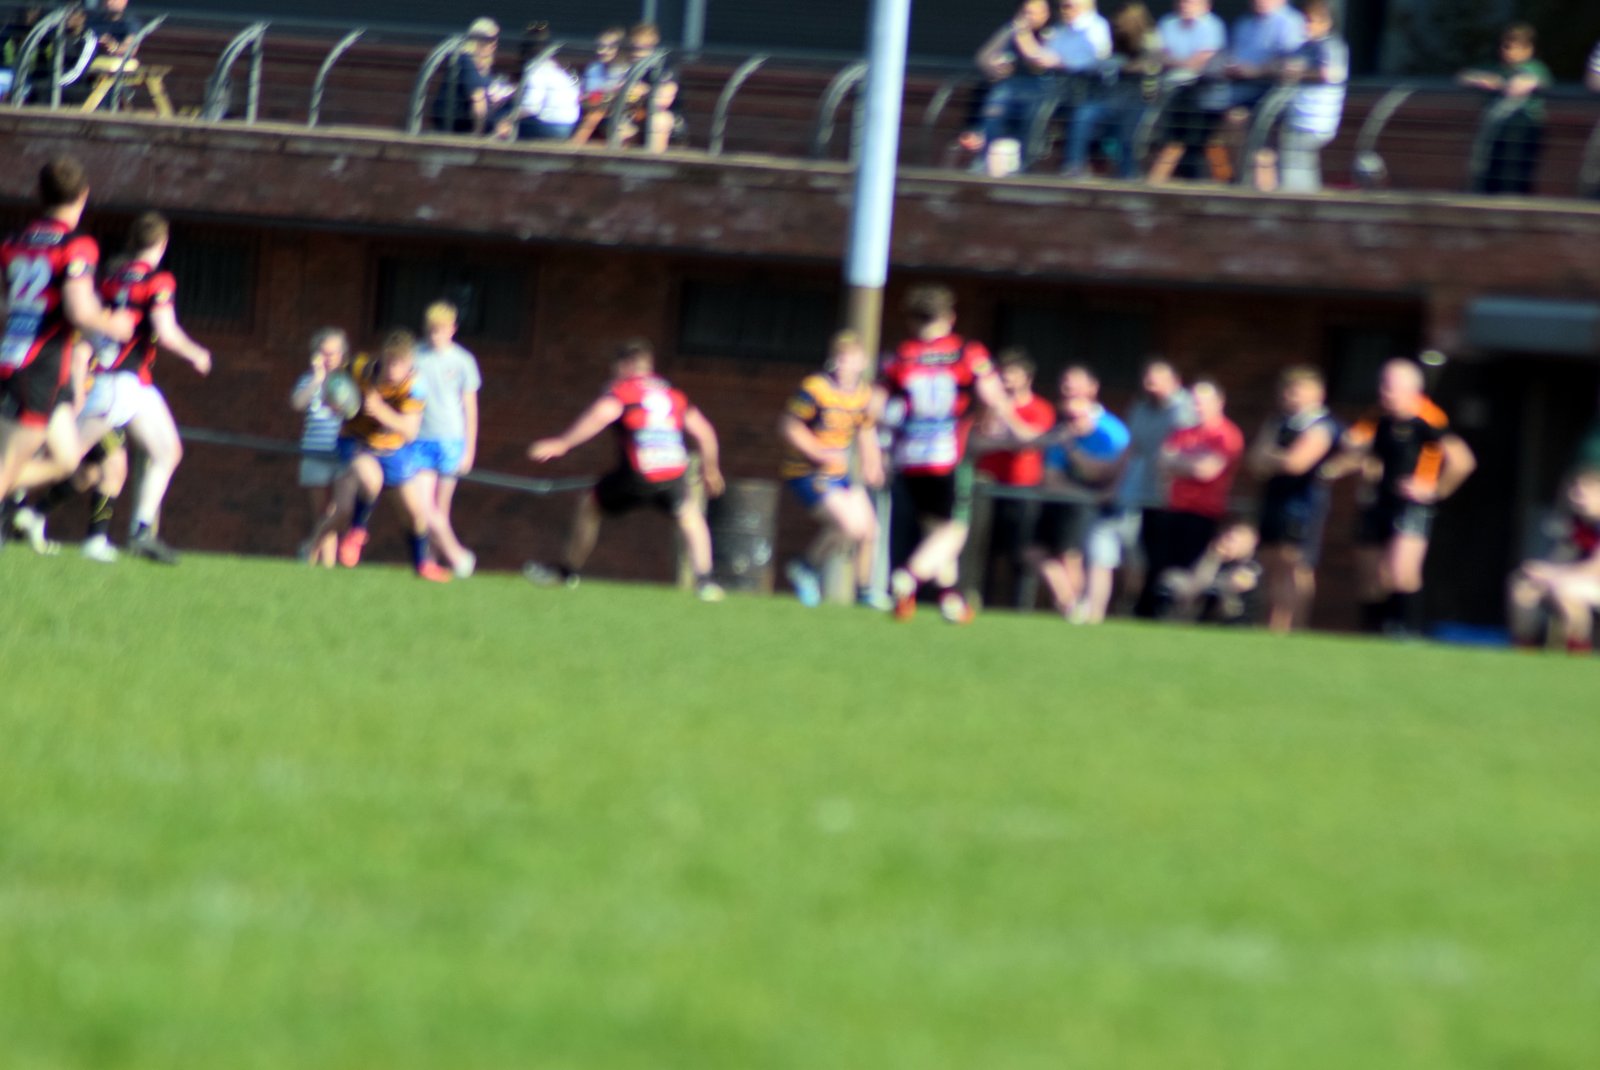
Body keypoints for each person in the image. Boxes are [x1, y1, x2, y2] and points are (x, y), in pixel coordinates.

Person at [12, 211, 210, 564]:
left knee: (166, 451)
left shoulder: (110, 279)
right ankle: (19, 503)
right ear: (162, 244)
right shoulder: (158, 280)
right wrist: (196, 353)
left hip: (134, 383)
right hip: (117, 385)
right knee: (66, 459)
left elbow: (89, 327)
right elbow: (165, 331)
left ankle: (141, 532)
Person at [525, 338, 727, 601]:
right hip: (672, 471)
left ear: (626, 365)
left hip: (639, 473)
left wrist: (563, 443)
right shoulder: (672, 394)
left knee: (590, 505)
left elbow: (602, 413)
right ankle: (706, 581)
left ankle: (567, 572)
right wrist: (711, 470)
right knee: (690, 514)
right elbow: (705, 431)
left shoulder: (624, 391)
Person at [877, 283, 1027, 623]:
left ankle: (950, 601)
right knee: (955, 530)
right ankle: (908, 578)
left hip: (907, 457)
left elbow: (875, 408)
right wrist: (1018, 430)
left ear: (912, 320)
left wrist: (878, 450)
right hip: (946, 455)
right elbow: (992, 397)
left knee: (935, 529)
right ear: (950, 317)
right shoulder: (966, 353)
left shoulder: (900, 356)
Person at [0, 157, 132, 541]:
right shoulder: (77, 245)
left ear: (40, 194)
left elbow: (4, 305)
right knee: (9, 462)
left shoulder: (13, 242)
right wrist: (114, 323)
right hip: (40, 361)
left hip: (19, 355)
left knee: (65, 459)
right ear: (83, 195)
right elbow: (78, 309)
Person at [1333, 358, 1476, 636]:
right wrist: (1348, 462)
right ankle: (1372, 632)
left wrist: (1434, 491)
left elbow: (1463, 461)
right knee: (1370, 577)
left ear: (1411, 390)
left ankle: (1406, 631)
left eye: (1390, 387)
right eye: (1382, 385)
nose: (1384, 392)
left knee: (1401, 572)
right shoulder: (1377, 418)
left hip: (1411, 505)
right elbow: (1354, 447)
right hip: (1378, 502)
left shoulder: (1428, 420)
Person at [308, 329, 452, 582]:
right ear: (382, 357)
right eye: (389, 361)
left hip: (392, 448)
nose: (392, 369)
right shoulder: (360, 368)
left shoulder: (415, 386)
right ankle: (356, 532)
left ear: (409, 363)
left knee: (415, 514)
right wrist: (336, 400)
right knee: (370, 479)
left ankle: (422, 565)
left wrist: (380, 410)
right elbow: (333, 386)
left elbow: (410, 431)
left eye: (399, 363)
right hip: (357, 441)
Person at [778, 330, 886, 609]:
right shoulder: (816, 388)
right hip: (807, 471)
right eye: (839, 357)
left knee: (869, 531)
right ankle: (806, 566)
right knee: (848, 526)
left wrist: (872, 464)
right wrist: (817, 451)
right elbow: (789, 425)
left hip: (839, 473)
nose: (842, 364)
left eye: (848, 358)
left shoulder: (863, 393)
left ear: (862, 362)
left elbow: (865, 430)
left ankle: (865, 592)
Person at [1031, 369, 1129, 620]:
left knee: (1074, 557)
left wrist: (1071, 447)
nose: (1068, 390)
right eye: (1065, 384)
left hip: (1098, 508)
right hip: (1063, 502)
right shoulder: (1061, 430)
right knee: (1034, 552)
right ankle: (1070, 603)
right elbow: (1051, 478)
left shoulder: (1109, 430)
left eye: (1075, 386)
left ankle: (1077, 609)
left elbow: (1100, 472)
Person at [1248, 365, 1339, 632]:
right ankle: (1269, 623)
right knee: (1269, 561)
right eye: (1286, 390)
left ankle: (1291, 626)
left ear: (1317, 392)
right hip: (1273, 500)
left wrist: (1273, 456)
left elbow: (1297, 463)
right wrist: (1277, 458)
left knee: (1294, 565)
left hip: (1302, 505)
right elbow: (1255, 462)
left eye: (1297, 390)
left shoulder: (1321, 425)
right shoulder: (1278, 423)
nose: (1289, 396)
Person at [1148, 378, 1244, 602]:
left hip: (1203, 512)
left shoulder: (1226, 434)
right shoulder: (1183, 432)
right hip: (1173, 507)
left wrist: (1179, 462)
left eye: (1202, 401)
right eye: (1194, 401)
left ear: (1219, 402)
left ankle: (1181, 611)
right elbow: (1161, 462)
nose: (1197, 406)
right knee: (1161, 568)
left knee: (1189, 570)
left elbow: (1206, 470)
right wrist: (1189, 463)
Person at [973, 350, 1056, 608]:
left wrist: (1007, 413)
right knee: (984, 549)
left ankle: (1019, 606)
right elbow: (976, 442)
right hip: (988, 487)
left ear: (1027, 378)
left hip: (1022, 490)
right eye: (1003, 374)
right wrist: (1005, 439)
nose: (1006, 380)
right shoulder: (988, 408)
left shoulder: (1040, 408)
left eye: (1012, 375)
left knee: (1019, 552)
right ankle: (979, 602)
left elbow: (1029, 440)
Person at [1116, 359, 1195, 617]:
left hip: (1177, 498)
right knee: (1139, 553)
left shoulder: (1187, 409)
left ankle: (1163, 610)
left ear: (1175, 381)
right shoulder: (1139, 408)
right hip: (1142, 492)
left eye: (1156, 380)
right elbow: (1133, 449)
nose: (1149, 384)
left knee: (1168, 557)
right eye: (1147, 379)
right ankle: (1139, 606)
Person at [412, 300, 480, 578]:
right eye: (431, 329)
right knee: (422, 506)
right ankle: (459, 556)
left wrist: (469, 449)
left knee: (441, 509)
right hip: (419, 439)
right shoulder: (415, 356)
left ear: (452, 329)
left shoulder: (464, 361)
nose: (435, 335)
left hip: (451, 440)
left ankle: (431, 561)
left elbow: (470, 408)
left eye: (440, 329)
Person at [1256, 0, 1346, 193]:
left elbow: (1331, 74)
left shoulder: (1331, 46)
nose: (1305, 26)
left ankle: (1299, 203)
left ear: (1326, 23)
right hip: (1295, 118)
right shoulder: (1303, 47)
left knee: (1295, 170)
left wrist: (1299, 72)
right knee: (1296, 166)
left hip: (1313, 120)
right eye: (1304, 20)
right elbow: (1282, 65)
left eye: (1310, 21)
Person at [1507, 468, 1600, 655]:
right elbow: (1560, 559)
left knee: (1567, 591)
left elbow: (1596, 569)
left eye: (1584, 494)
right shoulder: (1577, 524)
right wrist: (1541, 574)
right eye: (1575, 493)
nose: (1576, 499)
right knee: (1524, 588)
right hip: (1580, 582)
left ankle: (1578, 654)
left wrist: (1553, 574)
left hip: (1590, 582)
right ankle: (1525, 651)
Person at [1457, 23, 1552, 196]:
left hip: (1523, 128)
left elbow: (1524, 84)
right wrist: (1481, 79)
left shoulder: (1535, 68)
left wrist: (1501, 83)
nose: (1511, 52)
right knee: (1491, 169)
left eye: (1518, 47)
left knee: (1515, 172)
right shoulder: (1497, 68)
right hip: (1497, 128)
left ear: (1530, 49)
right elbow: (1463, 76)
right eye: (1507, 47)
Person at [1146, 0, 1227, 183]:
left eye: (1191, 2)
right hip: (1168, 90)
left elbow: (1203, 59)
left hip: (1202, 92)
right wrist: (1181, 63)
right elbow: (1159, 55)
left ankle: (1199, 177)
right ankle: (1155, 181)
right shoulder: (1167, 23)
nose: (1185, 5)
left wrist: (1176, 63)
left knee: (1189, 136)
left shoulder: (1213, 26)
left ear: (1206, 5)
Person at [974, 0, 1058, 177]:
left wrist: (1023, 35)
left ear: (1046, 15)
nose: (1030, 17)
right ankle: (983, 159)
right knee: (995, 107)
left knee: (1032, 115)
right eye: (1027, 12)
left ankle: (1025, 163)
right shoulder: (1010, 30)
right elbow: (983, 57)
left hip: (1040, 87)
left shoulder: (1052, 34)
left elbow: (1038, 62)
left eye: (1035, 13)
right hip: (1011, 84)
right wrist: (995, 67)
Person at [290, 327, 350, 566]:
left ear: (342, 355)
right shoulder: (308, 380)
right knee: (321, 512)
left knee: (337, 512)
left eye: (333, 353)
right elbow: (297, 403)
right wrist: (317, 379)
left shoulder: (348, 381)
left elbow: (353, 410)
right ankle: (324, 564)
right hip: (314, 452)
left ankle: (316, 555)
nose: (328, 358)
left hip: (341, 453)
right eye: (323, 353)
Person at [1153, 519, 1261, 623]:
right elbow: (1199, 580)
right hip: (1197, 596)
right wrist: (1213, 557)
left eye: (1233, 540)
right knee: (1172, 578)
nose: (1227, 542)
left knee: (1214, 592)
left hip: (1232, 612)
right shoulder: (1213, 557)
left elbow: (1240, 583)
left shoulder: (1250, 565)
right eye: (1227, 537)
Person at [506, 22, 579, 142]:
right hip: (569, 128)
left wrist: (508, 119)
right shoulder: (559, 67)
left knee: (505, 117)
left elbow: (531, 108)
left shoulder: (536, 68)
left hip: (551, 128)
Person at [433, 17, 505, 136]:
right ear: (477, 41)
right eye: (490, 40)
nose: (494, 44)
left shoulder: (485, 68)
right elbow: (478, 99)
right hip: (457, 123)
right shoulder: (465, 59)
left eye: (496, 39)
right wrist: (478, 134)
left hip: (471, 122)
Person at [570, 27, 628, 147]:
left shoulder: (625, 70)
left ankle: (574, 146)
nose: (601, 51)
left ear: (619, 49)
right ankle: (574, 147)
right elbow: (590, 95)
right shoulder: (594, 67)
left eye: (609, 47)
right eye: (600, 46)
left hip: (622, 112)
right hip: (595, 109)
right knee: (595, 114)